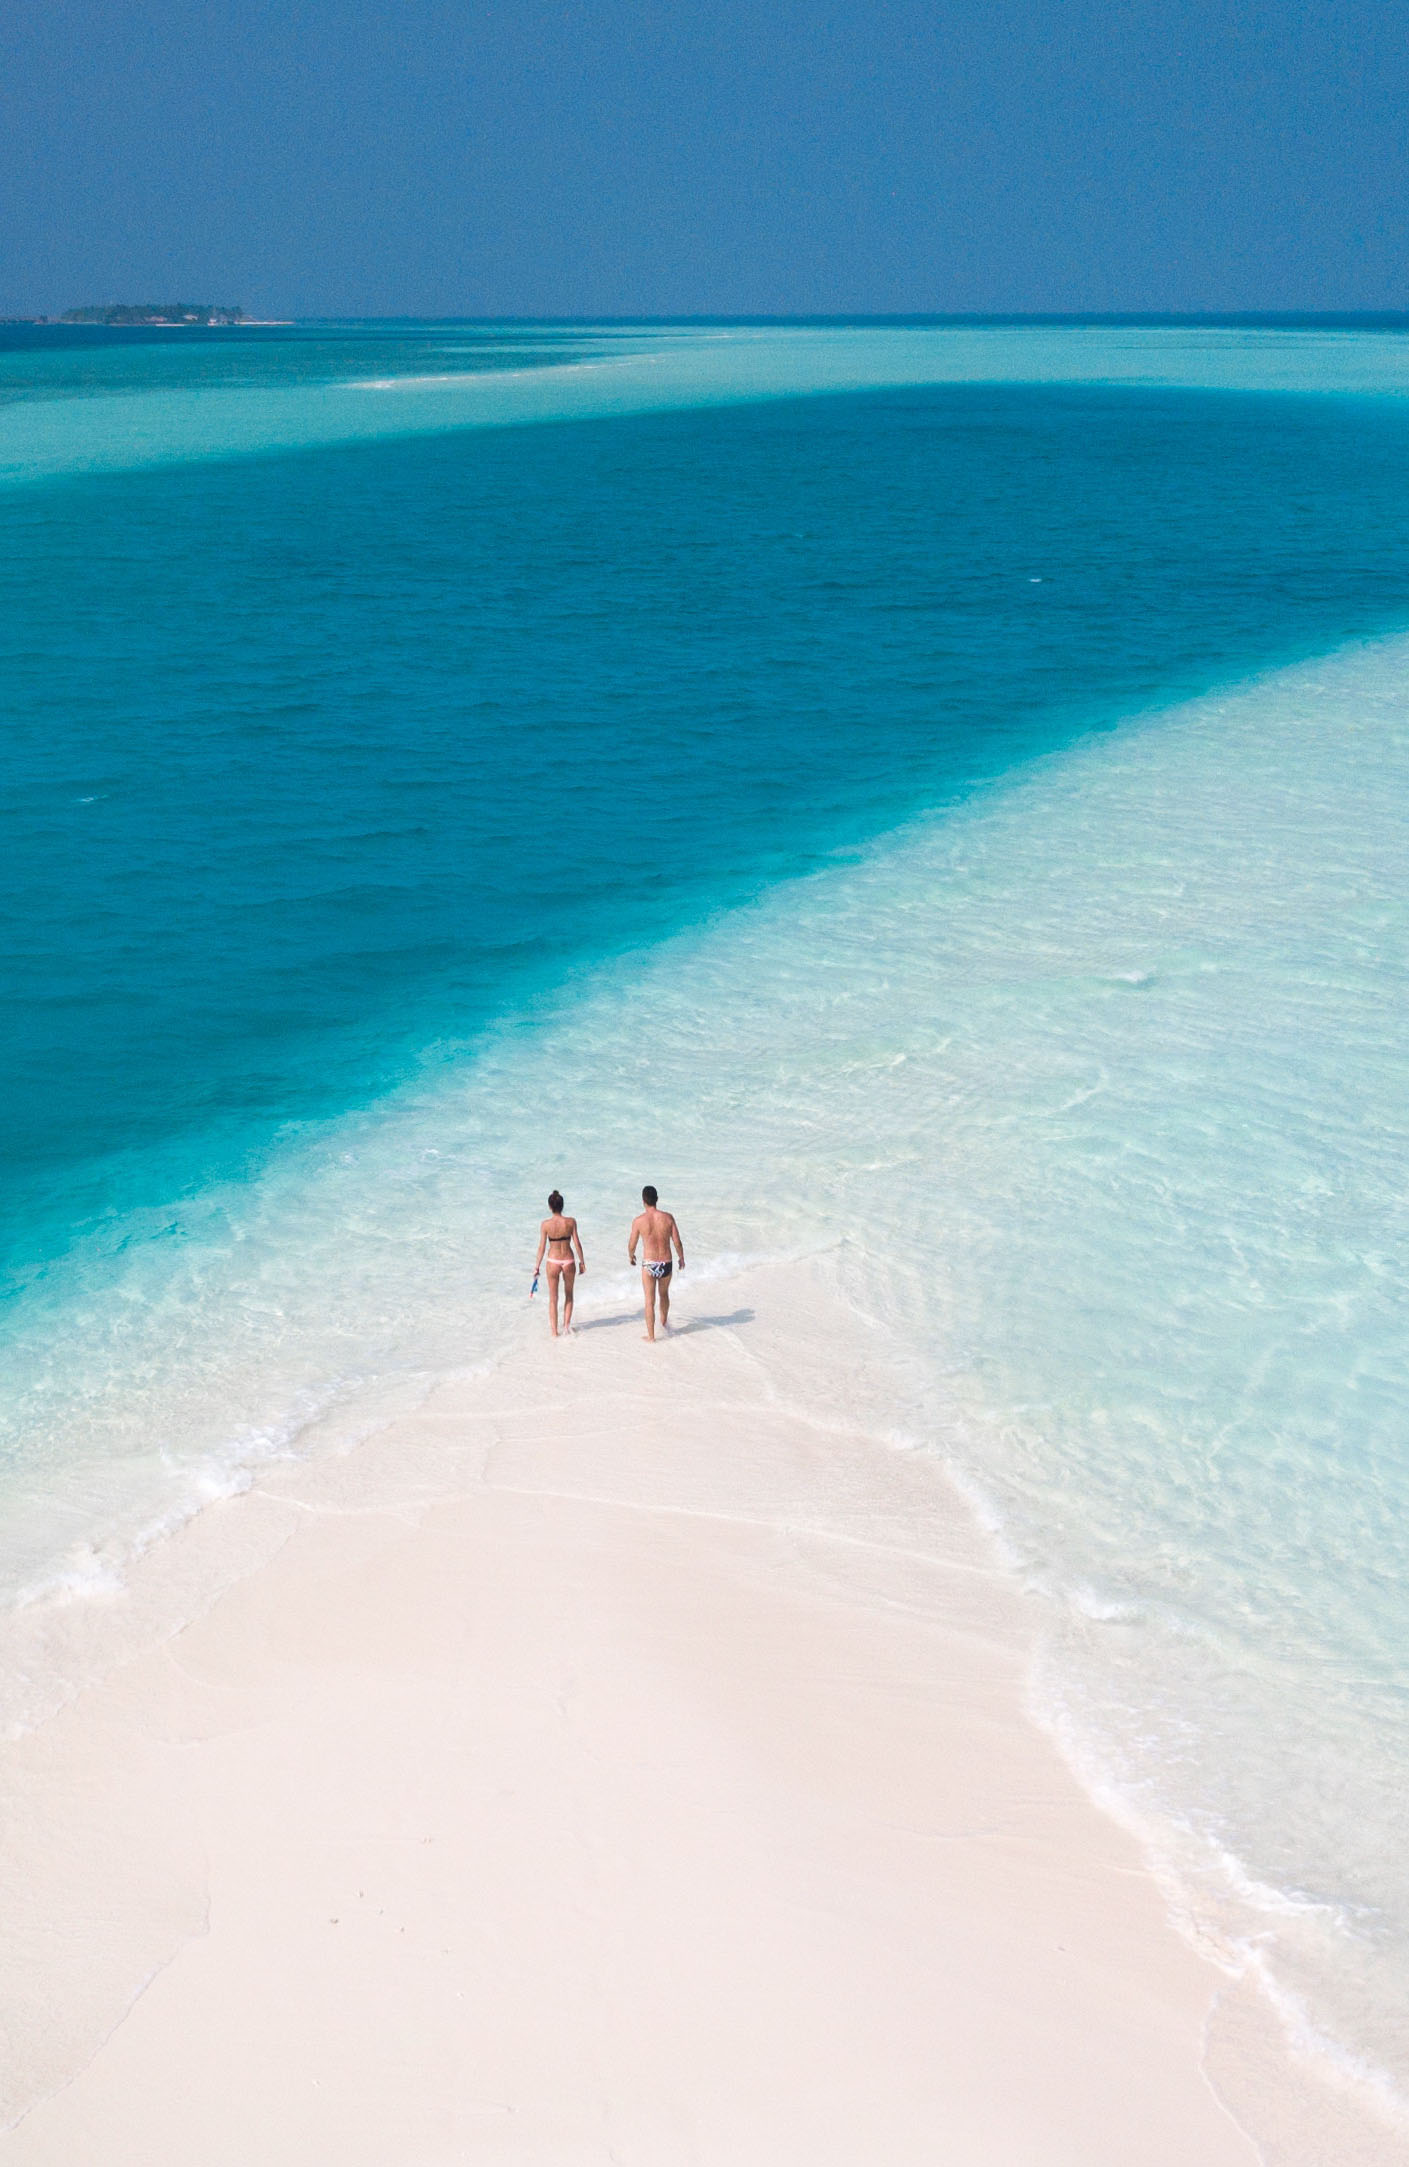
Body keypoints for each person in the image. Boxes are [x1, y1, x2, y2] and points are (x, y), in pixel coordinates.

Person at [628, 1185, 685, 1341]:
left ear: (643, 1201)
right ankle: (664, 1323)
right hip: (666, 1262)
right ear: (657, 1199)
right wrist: (681, 1258)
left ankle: (652, 1336)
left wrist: (631, 1255)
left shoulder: (639, 1221)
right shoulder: (668, 1218)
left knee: (649, 1300)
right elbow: (677, 1242)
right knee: (664, 1294)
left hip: (649, 1264)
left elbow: (632, 1243)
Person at [535, 1190, 584, 1337]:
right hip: (568, 1259)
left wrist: (537, 1266)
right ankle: (567, 1328)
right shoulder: (570, 1222)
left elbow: (542, 1247)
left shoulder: (545, 1225)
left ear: (550, 1207)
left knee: (553, 1298)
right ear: (562, 1206)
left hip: (553, 1260)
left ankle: (554, 1333)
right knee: (569, 1294)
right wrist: (582, 1261)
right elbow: (577, 1243)